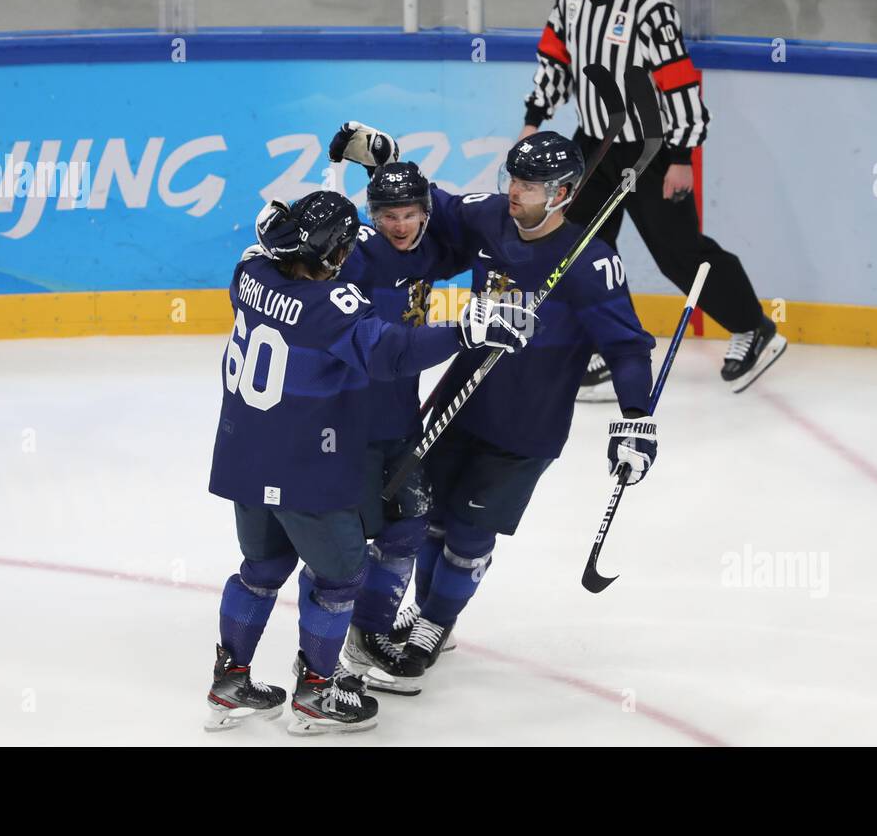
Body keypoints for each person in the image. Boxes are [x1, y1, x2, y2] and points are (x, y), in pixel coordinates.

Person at [331, 124, 659, 689]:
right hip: (463, 399)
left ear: (563, 193)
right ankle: (433, 610)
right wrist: (384, 164)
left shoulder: (591, 263)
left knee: (469, 531)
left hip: (527, 425)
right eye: (515, 176)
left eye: (531, 183)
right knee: (431, 518)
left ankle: (435, 621)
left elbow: (628, 350)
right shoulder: (488, 217)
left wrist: (637, 422)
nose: (516, 189)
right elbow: (416, 211)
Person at [204, 188, 535, 734]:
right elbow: (392, 352)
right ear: (333, 253)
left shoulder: (249, 278)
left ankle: (230, 680)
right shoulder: (330, 310)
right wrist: (467, 330)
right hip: (305, 469)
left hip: (244, 457)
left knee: (260, 571)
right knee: (341, 576)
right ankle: (316, 693)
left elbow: (261, 250)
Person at [521, 0, 786, 400]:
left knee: (678, 254)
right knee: (579, 248)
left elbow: (678, 80)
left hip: (649, 149)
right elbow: (555, 52)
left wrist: (682, 157)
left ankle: (754, 327)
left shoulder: (649, 4)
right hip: (592, 148)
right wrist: (534, 117)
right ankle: (606, 347)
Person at [323, 124, 470, 694]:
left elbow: (478, 227)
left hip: (400, 416)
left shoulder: (430, 245)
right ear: (370, 216)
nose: (400, 226)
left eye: (411, 213)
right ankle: (325, 655)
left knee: (407, 522)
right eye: (388, 215)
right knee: (347, 539)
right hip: (349, 421)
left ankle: (372, 631)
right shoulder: (350, 258)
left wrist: (392, 163)